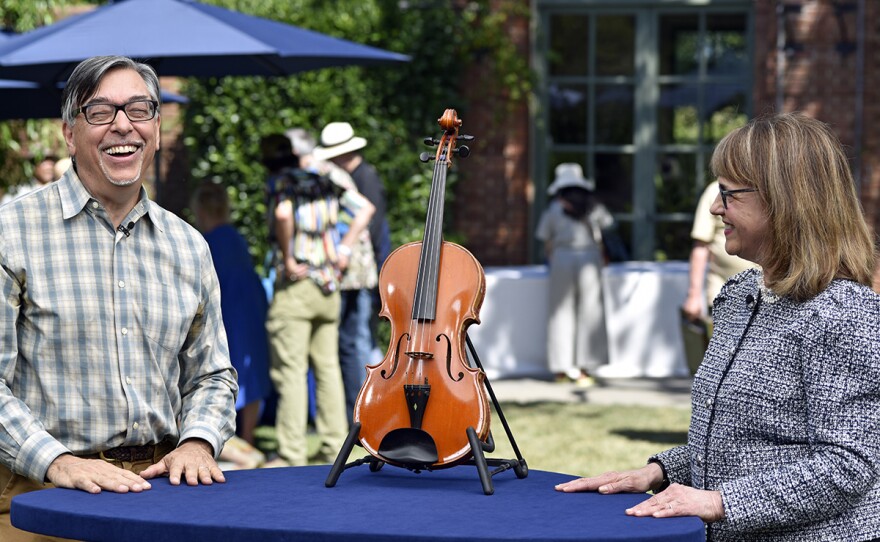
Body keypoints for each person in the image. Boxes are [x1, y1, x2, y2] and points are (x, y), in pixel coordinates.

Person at [555, 112, 880, 541]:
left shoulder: (846, 313)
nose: (713, 207)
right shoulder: (741, 293)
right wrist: (658, 471)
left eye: (728, 194)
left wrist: (717, 503)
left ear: (786, 200)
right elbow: (744, 440)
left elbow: (848, 466)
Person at [0, 56, 238, 540]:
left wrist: (197, 442)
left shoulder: (189, 245)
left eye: (139, 109)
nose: (123, 125)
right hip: (43, 498)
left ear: (155, 125)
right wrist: (57, 462)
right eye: (101, 112)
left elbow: (213, 375)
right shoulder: (12, 232)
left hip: (164, 495)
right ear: (69, 133)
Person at [261, 133, 374, 467]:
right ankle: (332, 447)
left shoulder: (282, 181)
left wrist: (288, 256)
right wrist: (343, 248)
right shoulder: (325, 180)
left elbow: (283, 215)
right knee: (328, 369)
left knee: (291, 371)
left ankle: (292, 452)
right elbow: (365, 208)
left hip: (297, 286)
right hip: (329, 286)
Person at [288, 128, 378, 426]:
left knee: (353, 343)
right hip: (346, 269)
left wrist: (343, 247)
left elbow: (364, 210)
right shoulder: (322, 171)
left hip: (349, 270)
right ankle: (357, 415)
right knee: (347, 344)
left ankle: (363, 413)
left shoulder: (322, 173)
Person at [191, 181, 272, 469]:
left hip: (226, 309)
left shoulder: (204, 240)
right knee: (253, 371)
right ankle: (247, 436)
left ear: (201, 210)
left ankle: (231, 437)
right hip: (249, 307)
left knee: (224, 366)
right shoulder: (236, 237)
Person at [535, 163, 612, 386]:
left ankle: (561, 368)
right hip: (589, 257)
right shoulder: (592, 206)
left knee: (560, 313)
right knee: (591, 312)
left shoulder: (553, 208)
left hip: (562, 258)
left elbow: (546, 240)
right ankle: (584, 368)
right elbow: (607, 226)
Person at [681, 180, 757, 321]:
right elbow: (701, 246)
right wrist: (694, 295)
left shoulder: (765, 186)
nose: (716, 209)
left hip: (764, 298)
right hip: (723, 296)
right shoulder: (712, 191)